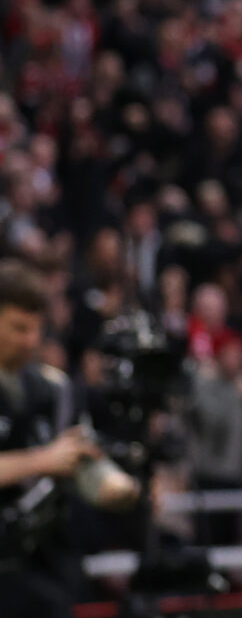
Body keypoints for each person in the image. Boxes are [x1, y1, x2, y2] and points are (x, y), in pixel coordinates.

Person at [0, 260, 138, 618]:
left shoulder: (52, 388)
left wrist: (116, 484)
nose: (30, 341)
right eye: (18, 328)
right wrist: (46, 460)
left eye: (36, 329)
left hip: (46, 564)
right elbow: (51, 457)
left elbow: (75, 453)